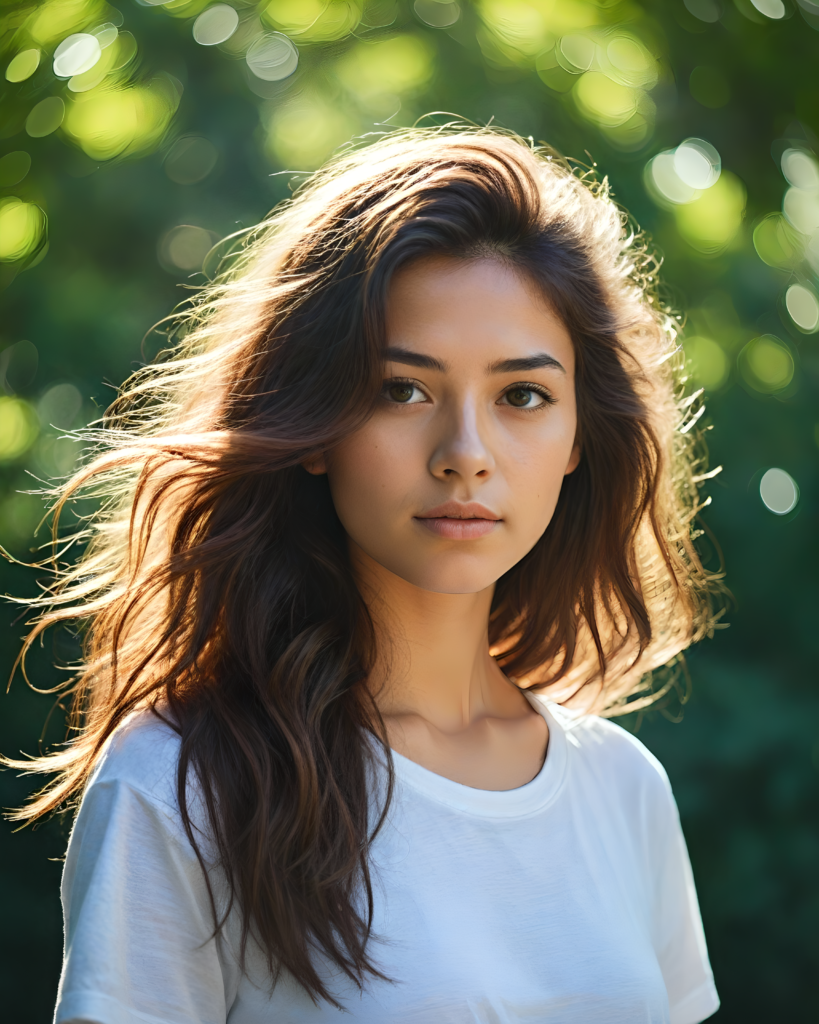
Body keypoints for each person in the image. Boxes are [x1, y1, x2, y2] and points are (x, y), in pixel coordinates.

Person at [7, 127, 722, 1023]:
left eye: (522, 396)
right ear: (314, 425)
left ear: (579, 438)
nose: (466, 454)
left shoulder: (625, 790)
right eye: (401, 390)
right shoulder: (185, 780)